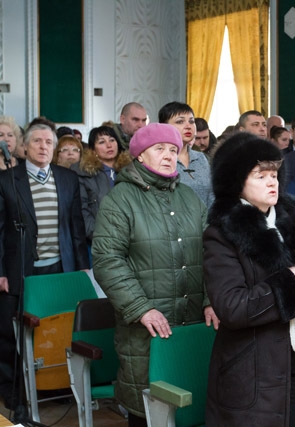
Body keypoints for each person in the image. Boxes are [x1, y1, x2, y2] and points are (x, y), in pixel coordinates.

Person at [203, 133, 295, 427]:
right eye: (261, 176)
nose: (272, 182)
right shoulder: (222, 235)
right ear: (236, 182)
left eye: (274, 174)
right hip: (253, 372)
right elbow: (232, 307)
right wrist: (288, 283)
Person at [92, 123, 214, 427]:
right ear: (140, 156)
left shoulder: (189, 198)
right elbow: (108, 260)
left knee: (192, 405)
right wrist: (141, 307)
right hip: (145, 329)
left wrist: (212, 299)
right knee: (150, 410)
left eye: (174, 150)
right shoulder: (120, 200)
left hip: (192, 325)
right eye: (159, 148)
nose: (169, 155)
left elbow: (212, 254)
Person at [0, 124, 89, 409]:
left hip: (59, 268)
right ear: (24, 147)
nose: (43, 146)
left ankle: (56, 388)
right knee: (9, 334)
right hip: (20, 269)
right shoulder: (7, 180)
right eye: (36, 141)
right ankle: (15, 394)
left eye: (48, 142)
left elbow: (76, 227)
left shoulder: (66, 178)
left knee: (56, 330)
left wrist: (82, 268)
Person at [72, 126, 132, 244]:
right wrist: (101, 238)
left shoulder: (130, 170)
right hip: (100, 242)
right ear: (93, 150)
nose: (109, 145)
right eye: (101, 142)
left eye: (112, 140)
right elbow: (83, 213)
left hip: (131, 241)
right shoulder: (84, 173)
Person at [159, 102, 214, 208]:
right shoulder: (159, 159)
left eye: (191, 121)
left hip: (206, 222)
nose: (188, 126)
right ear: (164, 126)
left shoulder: (201, 158)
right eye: (180, 122)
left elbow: (211, 195)